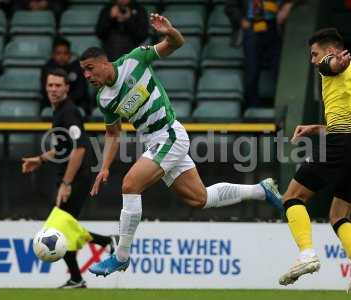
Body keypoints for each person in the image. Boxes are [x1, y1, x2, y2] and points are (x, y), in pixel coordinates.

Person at [79, 13, 283, 277]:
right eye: (83, 71)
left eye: (90, 68)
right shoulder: (104, 99)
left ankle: (121, 256)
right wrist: (104, 167)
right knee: (201, 198)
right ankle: (261, 190)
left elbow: (176, 43)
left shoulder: (135, 60)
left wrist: (170, 31)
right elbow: (113, 134)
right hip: (155, 142)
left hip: (169, 134)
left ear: (104, 62)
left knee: (130, 184)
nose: (86, 75)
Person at [278, 28, 351, 294]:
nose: (313, 60)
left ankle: (307, 254)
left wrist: (333, 62)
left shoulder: (330, 63)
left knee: (292, 197)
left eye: (314, 54)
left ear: (330, 50)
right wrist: (315, 127)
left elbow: (329, 65)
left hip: (341, 143)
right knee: (339, 214)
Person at [22, 69, 118, 288]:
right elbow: (63, 147)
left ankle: (106, 243)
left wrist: (66, 184)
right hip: (69, 176)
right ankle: (78, 275)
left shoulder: (69, 112)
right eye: (50, 85)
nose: (54, 89)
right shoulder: (59, 112)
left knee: (58, 227)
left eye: (58, 85)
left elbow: (80, 150)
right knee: (64, 227)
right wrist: (40, 159)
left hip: (77, 177)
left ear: (67, 88)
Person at [225, 0, 294, 107]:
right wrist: (242, 21)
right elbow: (230, 7)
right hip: (251, 27)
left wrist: (288, 5)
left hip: (274, 27)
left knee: (279, 69)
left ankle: (280, 107)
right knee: (252, 70)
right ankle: (252, 108)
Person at [41, 37, 90, 113]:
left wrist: (65, 103)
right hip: (53, 104)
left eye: (65, 53)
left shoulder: (78, 67)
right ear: (53, 54)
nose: (62, 57)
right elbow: (45, 91)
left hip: (75, 103)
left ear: (70, 54)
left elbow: (81, 91)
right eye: (58, 53)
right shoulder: (47, 69)